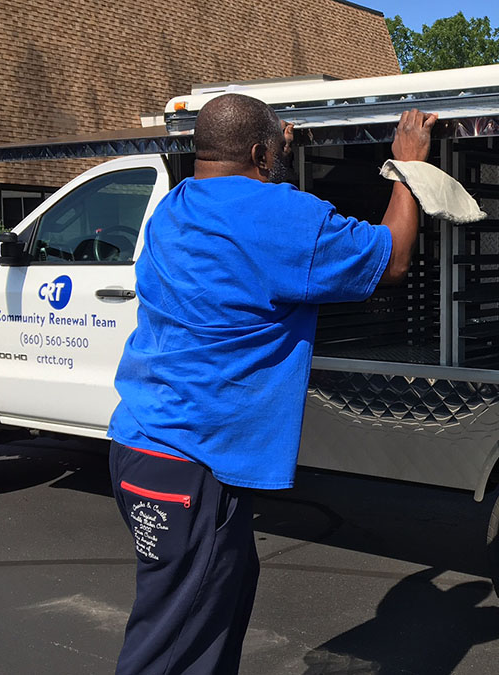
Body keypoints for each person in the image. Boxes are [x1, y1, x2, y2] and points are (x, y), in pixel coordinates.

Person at [105, 93, 437, 675]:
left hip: (141, 450)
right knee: (170, 650)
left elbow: (243, 182)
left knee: (206, 621)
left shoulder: (175, 208)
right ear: (261, 153)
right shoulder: (282, 218)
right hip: (191, 470)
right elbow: (393, 259)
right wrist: (406, 164)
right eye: (274, 148)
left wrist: (272, 151)